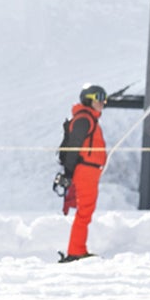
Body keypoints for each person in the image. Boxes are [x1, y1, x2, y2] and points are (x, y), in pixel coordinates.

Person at [57, 85, 108, 261]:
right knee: (85, 211)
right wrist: (69, 172)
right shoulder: (84, 119)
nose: (102, 102)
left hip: (90, 170)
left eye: (104, 99)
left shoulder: (89, 118)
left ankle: (78, 249)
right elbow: (74, 146)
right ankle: (76, 251)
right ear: (88, 99)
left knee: (86, 210)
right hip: (85, 170)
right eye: (98, 98)